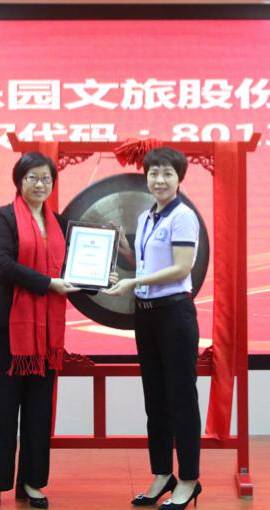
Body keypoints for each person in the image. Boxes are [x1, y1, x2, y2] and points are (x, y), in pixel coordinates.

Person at [0, 152, 76, 510]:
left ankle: (32, 482)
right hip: (7, 330)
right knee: (2, 409)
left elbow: (73, 268)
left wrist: (101, 278)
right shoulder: (2, 217)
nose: (40, 184)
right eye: (32, 177)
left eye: (46, 178)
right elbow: (4, 266)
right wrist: (48, 283)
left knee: (38, 412)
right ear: (19, 181)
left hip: (46, 334)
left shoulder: (59, 224)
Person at [109, 146, 204, 508]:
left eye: (167, 173)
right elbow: (146, 263)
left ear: (179, 178)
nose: (159, 180)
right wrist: (124, 250)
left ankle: (189, 479)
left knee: (181, 399)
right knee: (155, 400)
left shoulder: (183, 216)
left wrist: (134, 282)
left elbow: (181, 268)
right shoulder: (147, 216)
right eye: (153, 173)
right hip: (146, 316)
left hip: (174, 315)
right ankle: (163, 473)